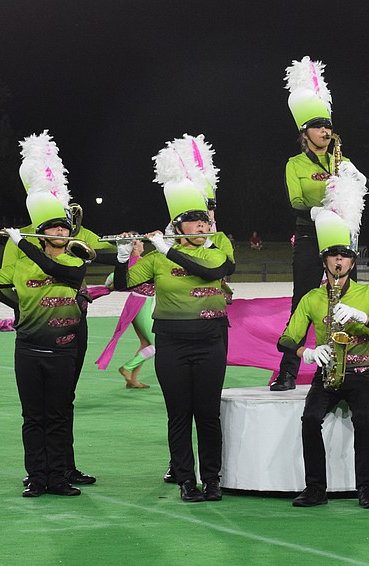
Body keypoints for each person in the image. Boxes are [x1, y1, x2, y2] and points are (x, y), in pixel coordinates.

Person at [114, 149, 234, 503]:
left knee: (207, 414)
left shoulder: (217, 247)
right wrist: (124, 257)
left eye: (204, 221)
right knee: (179, 413)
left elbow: (212, 273)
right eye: (194, 222)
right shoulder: (155, 258)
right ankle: (186, 480)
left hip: (211, 340)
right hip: (172, 342)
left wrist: (165, 249)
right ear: (177, 227)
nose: (203, 225)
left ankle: (212, 479)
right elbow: (124, 284)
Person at [0, 133, 114, 487]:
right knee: (41, 407)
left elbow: (107, 249)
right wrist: (34, 310)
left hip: (75, 324)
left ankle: (65, 467)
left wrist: (134, 241)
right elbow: (4, 288)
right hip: (38, 328)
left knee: (66, 399)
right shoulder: (20, 238)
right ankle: (41, 470)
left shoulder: (74, 232)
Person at [279, 188, 369, 509]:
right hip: (327, 374)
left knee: (363, 417)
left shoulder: (367, 294)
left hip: (362, 373)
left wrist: (365, 317)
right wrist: (305, 353)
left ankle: (367, 489)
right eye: (333, 256)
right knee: (309, 420)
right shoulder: (312, 298)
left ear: (352, 261)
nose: (338, 260)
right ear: (324, 261)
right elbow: (286, 340)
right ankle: (315, 489)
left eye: (344, 256)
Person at [0, 156, 86, 498]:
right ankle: (37, 478)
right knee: (33, 418)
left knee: (56, 416)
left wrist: (22, 242)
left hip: (62, 351)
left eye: (64, 228)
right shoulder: (22, 265)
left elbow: (62, 274)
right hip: (27, 350)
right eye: (53, 228)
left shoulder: (73, 258)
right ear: (42, 233)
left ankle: (59, 477)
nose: (61, 233)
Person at [273, 55, 369, 392]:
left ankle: (365, 369)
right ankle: (288, 371)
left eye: (328, 126)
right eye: (318, 127)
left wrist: (358, 178)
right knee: (302, 301)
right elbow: (295, 201)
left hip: (342, 240)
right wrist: (322, 205)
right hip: (309, 234)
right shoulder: (294, 164)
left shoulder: (342, 159)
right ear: (304, 132)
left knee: (355, 301)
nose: (325, 131)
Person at [95, 237, 153, 389]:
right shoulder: (139, 262)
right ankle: (127, 368)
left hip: (136, 303)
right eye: (139, 242)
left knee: (146, 343)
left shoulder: (130, 262)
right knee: (158, 344)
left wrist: (113, 286)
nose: (142, 243)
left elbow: (110, 280)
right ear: (134, 246)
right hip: (142, 304)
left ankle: (133, 380)